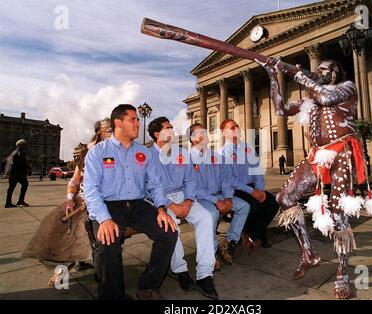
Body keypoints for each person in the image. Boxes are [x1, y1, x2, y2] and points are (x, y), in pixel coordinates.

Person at [258, 58, 372, 299]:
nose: (318, 72)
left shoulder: (347, 87)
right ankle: (308, 252)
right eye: (316, 69)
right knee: (285, 197)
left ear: (334, 75)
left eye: (324, 69)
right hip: (317, 156)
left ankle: (343, 272)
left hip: (342, 152)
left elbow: (326, 98)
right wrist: (272, 75)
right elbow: (280, 109)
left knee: (338, 212)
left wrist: (300, 77)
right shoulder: (310, 99)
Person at [84, 105, 177, 300]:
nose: (138, 123)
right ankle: (113, 295)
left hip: (138, 204)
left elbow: (155, 185)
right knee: (107, 242)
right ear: (118, 123)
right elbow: (91, 191)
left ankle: (147, 286)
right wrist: (104, 219)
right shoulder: (97, 152)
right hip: (109, 205)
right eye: (133, 119)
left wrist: (161, 209)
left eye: (137, 119)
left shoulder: (145, 152)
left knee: (169, 233)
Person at [22, 118, 112, 285]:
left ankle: (90, 265)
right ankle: (63, 266)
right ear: (99, 132)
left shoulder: (117, 151)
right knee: (58, 221)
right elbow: (75, 180)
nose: (111, 132)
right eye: (108, 129)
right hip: (82, 199)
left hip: (104, 201)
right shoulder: (86, 152)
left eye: (113, 129)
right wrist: (70, 199)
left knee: (80, 225)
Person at [148, 117, 219, 300]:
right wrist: (169, 205)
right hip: (161, 201)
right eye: (167, 128)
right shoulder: (147, 155)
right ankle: (181, 271)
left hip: (184, 196)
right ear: (157, 134)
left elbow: (191, 181)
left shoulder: (182, 152)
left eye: (172, 127)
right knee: (171, 225)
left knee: (206, 218)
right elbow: (147, 187)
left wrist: (188, 201)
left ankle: (205, 274)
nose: (172, 130)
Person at [188, 123, 250, 267]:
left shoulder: (215, 156)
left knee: (244, 207)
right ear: (192, 139)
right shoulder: (189, 159)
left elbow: (225, 180)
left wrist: (228, 198)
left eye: (205, 131)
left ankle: (228, 243)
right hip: (200, 198)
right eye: (199, 133)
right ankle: (212, 251)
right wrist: (217, 201)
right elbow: (194, 188)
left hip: (219, 195)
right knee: (212, 215)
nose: (204, 135)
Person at [219, 120, 279, 255]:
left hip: (252, 186)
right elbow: (230, 180)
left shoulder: (248, 148)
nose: (236, 128)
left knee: (273, 203)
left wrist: (260, 189)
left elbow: (256, 170)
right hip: (237, 189)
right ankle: (253, 236)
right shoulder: (222, 153)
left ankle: (250, 234)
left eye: (237, 125)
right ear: (224, 133)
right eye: (232, 127)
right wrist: (253, 192)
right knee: (254, 205)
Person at [4, 139, 30, 208]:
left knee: (11, 188)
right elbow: (21, 163)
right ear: (20, 145)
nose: (25, 146)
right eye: (24, 144)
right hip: (18, 174)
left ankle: (10, 202)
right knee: (23, 185)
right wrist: (27, 166)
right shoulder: (20, 153)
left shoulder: (14, 152)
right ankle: (15, 202)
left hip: (14, 174)